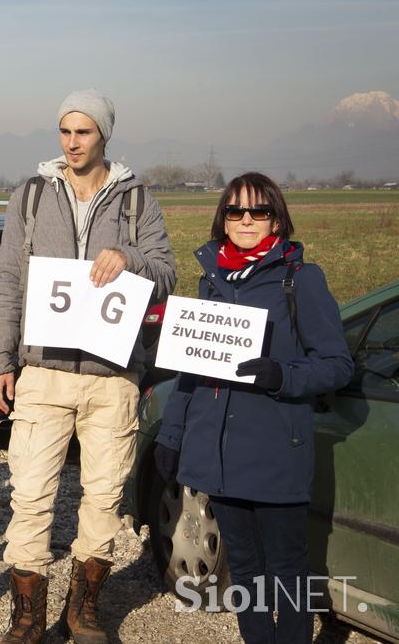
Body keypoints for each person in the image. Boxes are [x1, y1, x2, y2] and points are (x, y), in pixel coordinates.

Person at [0, 90, 176, 644]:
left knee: (104, 495)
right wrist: (0, 358)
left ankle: (84, 608)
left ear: (104, 135)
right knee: (31, 493)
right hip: (43, 373)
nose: (71, 142)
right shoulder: (32, 196)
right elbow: (9, 282)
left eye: (83, 132)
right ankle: (27, 615)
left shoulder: (137, 199)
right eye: (64, 131)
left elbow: (166, 272)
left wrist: (130, 259)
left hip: (112, 376)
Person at [154, 173, 353, 644]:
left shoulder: (299, 279)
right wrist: (172, 435)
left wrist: (283, 375)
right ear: (222, 218)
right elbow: (191, 370)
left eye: (258, 212)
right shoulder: (211, 281)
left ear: (276, 219)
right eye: (235, 211)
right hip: (222, 459)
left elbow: (337, 364)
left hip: (276, 452)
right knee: (244, 571)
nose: (246, 220)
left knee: (286, 571)